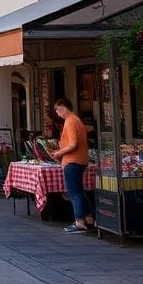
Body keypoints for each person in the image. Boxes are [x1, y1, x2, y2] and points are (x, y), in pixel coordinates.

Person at [51, 97, 95, 234]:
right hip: (79, 160)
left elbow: (73, 144)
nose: (57, 114)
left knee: (73, 192)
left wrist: (59, 153)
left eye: (58, 111)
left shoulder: (70, 122)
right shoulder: (76, 120)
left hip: (72, 161)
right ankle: (89, 218)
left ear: (63, 108)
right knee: (79, 191)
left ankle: (79, 221)